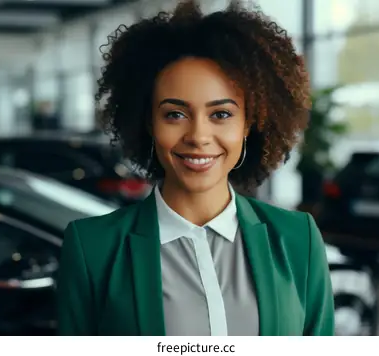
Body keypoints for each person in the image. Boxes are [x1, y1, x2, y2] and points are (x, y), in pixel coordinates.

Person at [57, 0, 334, 336]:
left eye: (221, 114)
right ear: (148, 123)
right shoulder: (93, 248)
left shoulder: (297, 237)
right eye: (175, 114)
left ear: (249, 124)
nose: (199, 136)